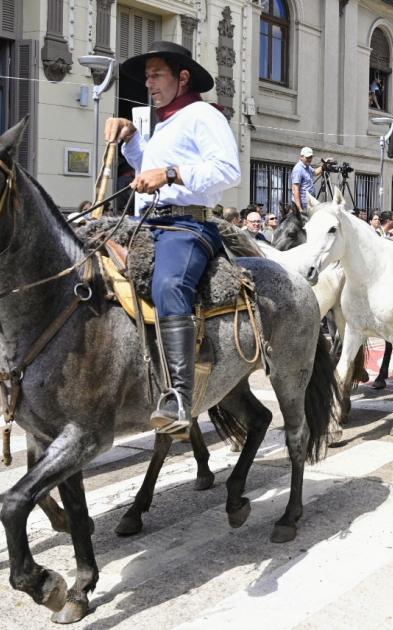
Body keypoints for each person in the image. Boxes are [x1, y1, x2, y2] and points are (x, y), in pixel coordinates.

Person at [105, 41, 239, 440]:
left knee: (167, 286)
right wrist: (130, 138)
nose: (149, 83)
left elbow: (228, 170)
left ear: (183, 77)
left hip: (187, 227)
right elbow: (147, 167)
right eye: (147, 77)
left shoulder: (203, 115)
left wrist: (172, 174)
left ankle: (179, 398)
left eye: (156, 74)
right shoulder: (164, 122)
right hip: (147, 223)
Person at [291, 147, 323, 212]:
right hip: (303, 204)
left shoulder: (307, 166)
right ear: (301, 157)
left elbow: (315, 172)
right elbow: (296, 190)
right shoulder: (298, 169)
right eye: (307, 157)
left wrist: (324, 166)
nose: (309, 159)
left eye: (310, 157)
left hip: (309, 203)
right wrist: (299, 208)